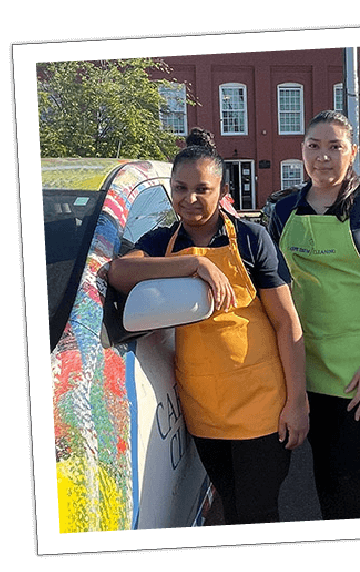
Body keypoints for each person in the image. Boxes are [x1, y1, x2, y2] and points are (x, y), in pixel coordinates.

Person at [108, 128, 308, 525]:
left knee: (259, 513)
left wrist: (297, 403)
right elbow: (119, 271)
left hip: (262, 406)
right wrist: (194, 264)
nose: (191, 198)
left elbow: (287, 323)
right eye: (180, 188)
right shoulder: (161, 241)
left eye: (203, 188)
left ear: (222, 190)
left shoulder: (251, 239)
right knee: (232, 507)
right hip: (204, 410)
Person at [268, 110, 360, 520]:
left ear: (353, 152)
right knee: (324, 472)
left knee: (349, 474)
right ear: (302, 151)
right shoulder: (284, 211)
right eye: (314, 146)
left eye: (335, 146)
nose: (323, 157)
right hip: (307, 365)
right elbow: (274, 287)